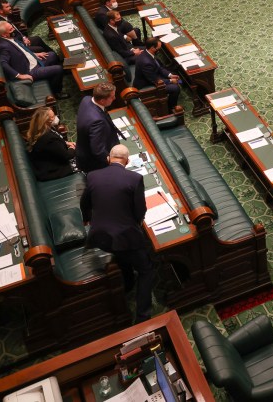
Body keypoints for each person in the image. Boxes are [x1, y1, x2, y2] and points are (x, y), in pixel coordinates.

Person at [80, 144, 156, 322]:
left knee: (122, 256)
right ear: (128, 161)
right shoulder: (135, 178)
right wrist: (135, 222)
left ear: (109, 158)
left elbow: (85, 205)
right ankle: (143, 315)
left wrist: (88, 219)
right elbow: (140, 211)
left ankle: (128, 284)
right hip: (125, 237)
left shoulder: (93, 176)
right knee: (146, 270)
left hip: (100, 236)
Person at [0, 20, 66, 97]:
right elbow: (3, 63)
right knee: (58, 69)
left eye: (12, 27)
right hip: (30, 70)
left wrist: (34, 54)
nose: (14, 30)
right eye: (11, 29)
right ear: (4, 35)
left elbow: (21, 49)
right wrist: (19, 75)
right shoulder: (3, 46)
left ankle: (52, 78)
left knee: (52, 55)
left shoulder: (9, 37)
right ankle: (56, 92)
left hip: (32, 60)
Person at [26, 106, 76, 181]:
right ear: (46, 120)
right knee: (87, 161)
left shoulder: (43, 129)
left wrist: (66, 143)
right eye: (53, 116)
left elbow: (56, 144)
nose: (56, 117)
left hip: (53, 160)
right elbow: (67, 155)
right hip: (52, 170)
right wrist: (72, 148)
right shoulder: (48, 139)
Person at [134, 37, 181, 113]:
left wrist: (170, 75)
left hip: (152, 77)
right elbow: (154, 80)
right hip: (146, 85)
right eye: (159, 48)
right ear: (153, 48)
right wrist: (171, 81)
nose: (160, 49)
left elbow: (159, 67)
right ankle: (171, 109)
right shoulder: (146, 62)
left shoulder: (148, 53)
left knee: (173, 72)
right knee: (175, 88)